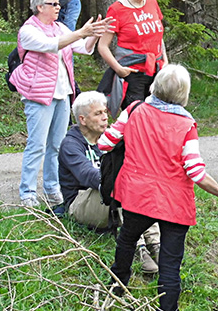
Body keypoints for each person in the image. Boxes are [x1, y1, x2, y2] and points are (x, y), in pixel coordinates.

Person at [100, 64, 218, 311]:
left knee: (127, 240)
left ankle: (116, 289)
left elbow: (105, 143)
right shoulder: (186, 124)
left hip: (137, 195)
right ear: (184, 94)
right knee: (170, 263)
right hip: (174, 202)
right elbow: (195, 170)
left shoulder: (133, 111)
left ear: (155, 86)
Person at [9, 0, 113, 208]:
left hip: (63, 93)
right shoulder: (28, 30)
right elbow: (51, 45)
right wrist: (81, 32)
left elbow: (83, 48)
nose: (58, 8)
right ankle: (27, 192)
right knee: (37, 144)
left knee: (57, 145)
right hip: (38, 94)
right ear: (40, 7)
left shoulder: (60, 27)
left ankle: (52, 187)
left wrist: (94, 35)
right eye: (53, 4)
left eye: (59, 4)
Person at [58, 91, 160, 274]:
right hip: (80, 202)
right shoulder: (70, 145)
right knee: (119, 185)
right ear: (82, 119)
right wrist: (124, 181)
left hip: (105, 199)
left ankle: (156, 244)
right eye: (98, 114)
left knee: (138, 183)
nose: (105, 117)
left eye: (105, 112)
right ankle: (139, 248)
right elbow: (86, 175)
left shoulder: (110, 138)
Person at [97, 0, 167, 117]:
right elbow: (102, 46)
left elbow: (158, 36)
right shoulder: (116, 10)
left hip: (156, 71)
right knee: (136, 118)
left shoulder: (152, 2)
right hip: (133, 74)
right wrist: (119, 70)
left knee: (157, 117)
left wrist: (165, 62)